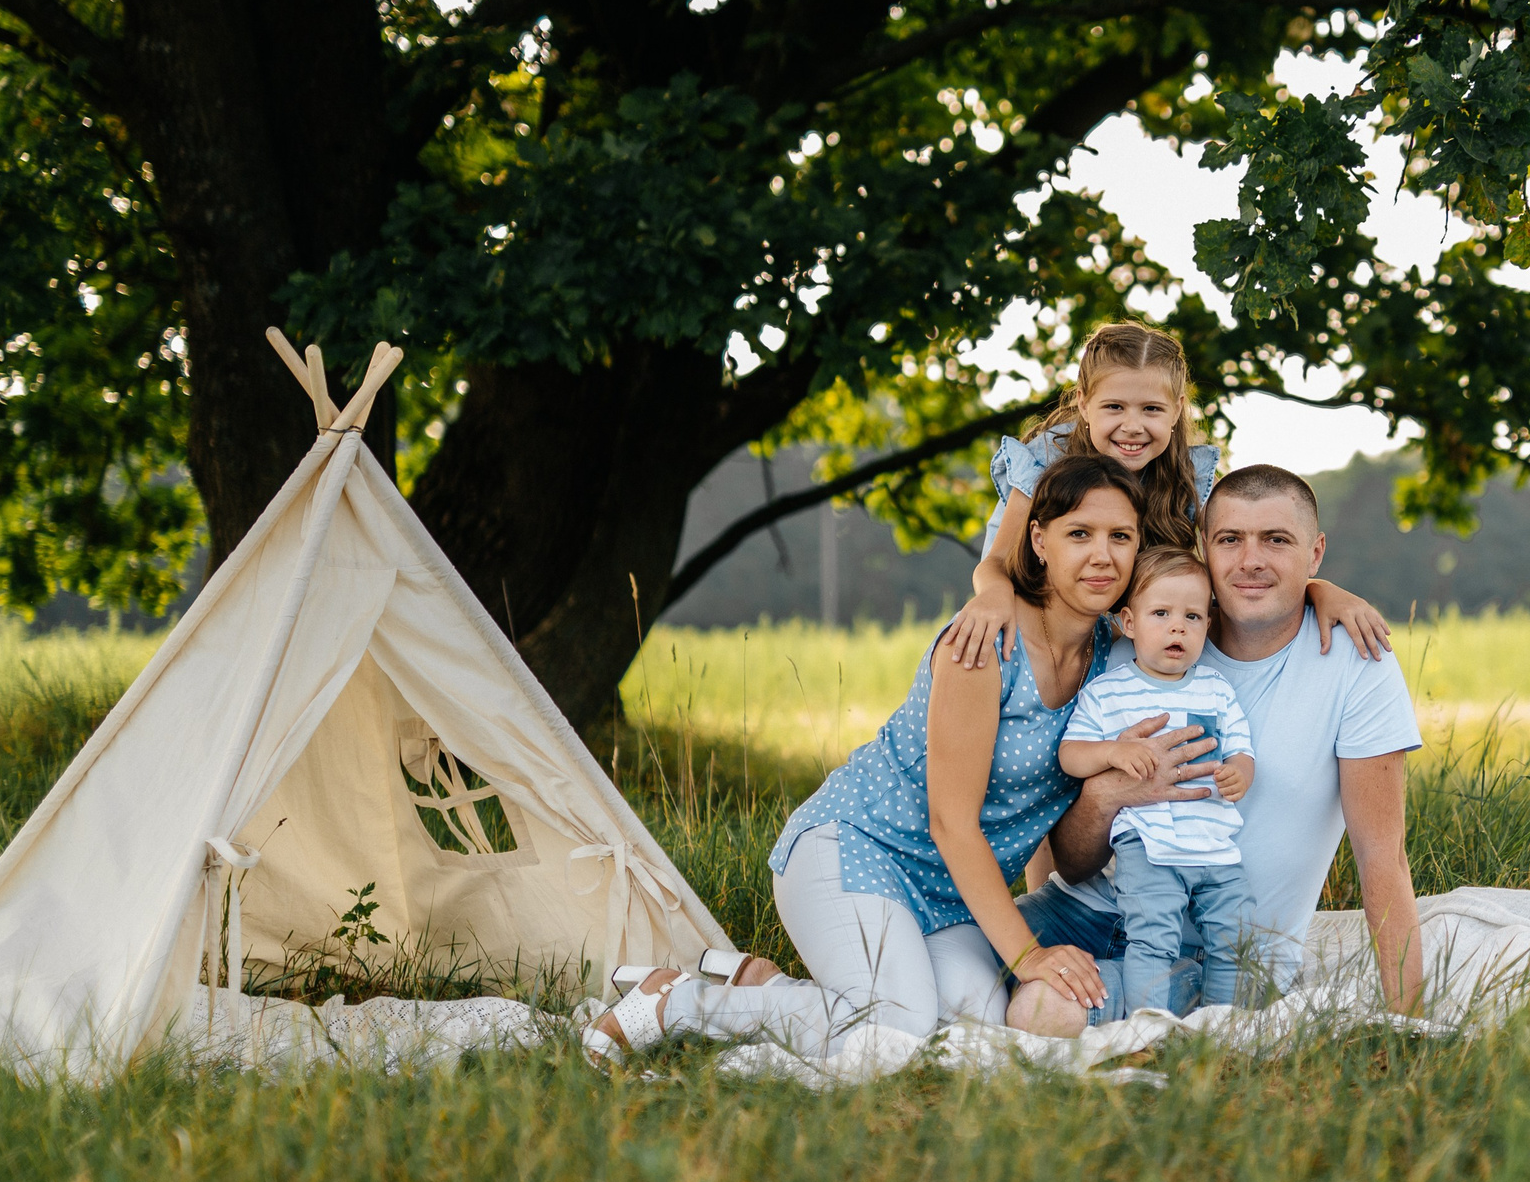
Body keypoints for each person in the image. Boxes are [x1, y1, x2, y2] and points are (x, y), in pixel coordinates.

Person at [583, 454, 1136, 1061]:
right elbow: (951, 822)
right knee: (894, 1026)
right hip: (857, 849)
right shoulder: (986, 641)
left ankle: (766, 987)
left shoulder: (1116, 659)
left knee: (976, 1029)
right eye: (1079, 534)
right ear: (1039, 539)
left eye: (1121, 537)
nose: (1102, 555)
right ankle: (673, 1003)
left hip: (953, 895)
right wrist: (1029, 954)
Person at [1016, 465, 1426, 1033]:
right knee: (950, 945)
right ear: (1204, 550)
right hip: (1091, 908)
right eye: (1229, 539)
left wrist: (1410, 1023)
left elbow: (1383, 856)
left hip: (1220, 948)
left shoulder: (1356, 660)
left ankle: (1172, 1012)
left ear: (1315, 554)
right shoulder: (1147, 646)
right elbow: (1072, 857)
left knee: (1039, 1011)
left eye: (1276, 541)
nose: (1250, 560)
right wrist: (1110, 791)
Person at [938, 321, 1393, 670]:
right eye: (1114, 407)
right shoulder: (1045, 462)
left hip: (1129, 648)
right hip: (1040, 638)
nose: (1133, 427)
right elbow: (995, 563)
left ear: (1177, 410)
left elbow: (1231, 561)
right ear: (1083, 403)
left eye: (1151, 409)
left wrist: (1318, 590)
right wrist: (992, 597)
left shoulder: (1186, 478)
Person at [1057, 545, 1267, 1018]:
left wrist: (1240, 773)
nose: (1178, 626)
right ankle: (1147, 1029)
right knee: (1152, 938)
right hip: (1147, 845)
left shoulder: (1215, 687)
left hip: (1215, 844)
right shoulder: (1108, 692)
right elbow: (1071, 756)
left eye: (1193, 616)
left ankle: (1221, 1027)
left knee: (1234, 937)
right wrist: (1113, 752)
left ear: (1207, 626)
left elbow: (1241, 749)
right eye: (1161, 613)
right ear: (1129, 624)